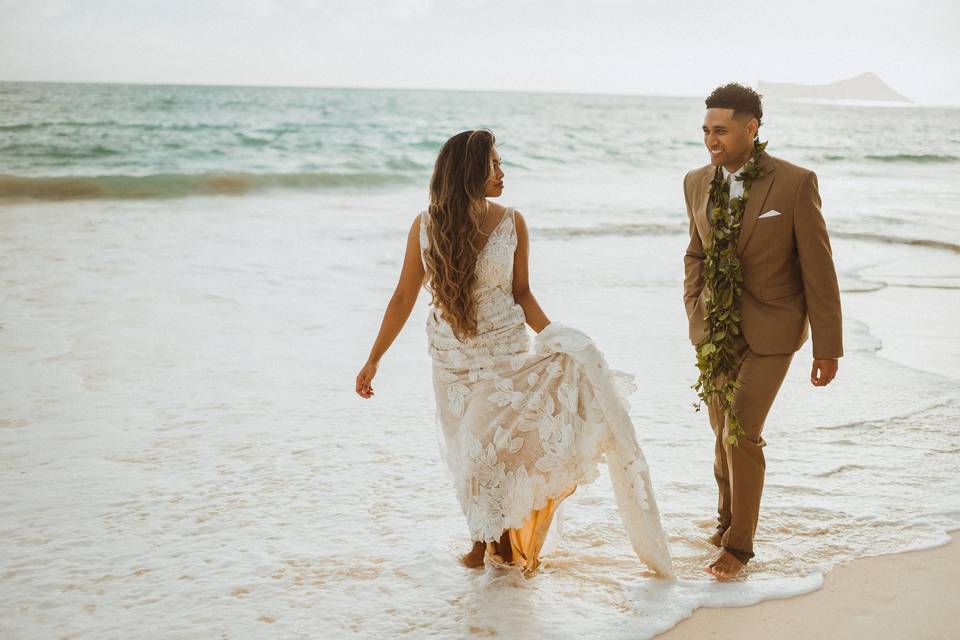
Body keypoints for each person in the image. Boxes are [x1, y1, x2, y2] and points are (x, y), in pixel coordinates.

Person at [357, 129, 672, 578]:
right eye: (495, 164)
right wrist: (375, 358)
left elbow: (522, 293)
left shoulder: (512, 222)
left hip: (503, 354)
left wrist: (561, 338)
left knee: (493, 450)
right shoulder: (426, 225)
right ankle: (484, 541)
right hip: (450, 361)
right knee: (466, 453)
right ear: (470, 171)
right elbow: (404, 294)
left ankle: (495, 544)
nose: (503, 173)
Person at [683, 84, 843, 580]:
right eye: (707, 130)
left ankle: (740, 547)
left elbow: (818, 267)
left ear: (751, 128)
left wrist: (827, 346)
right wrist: (694, 307)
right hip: (714, 329)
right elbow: (695, 252)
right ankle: (725, 518)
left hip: (774, 328)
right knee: (719, 432)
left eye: (722, 130)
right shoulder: (694, 182)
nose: (712, 139)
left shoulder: (795, 183)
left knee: (740, 431)